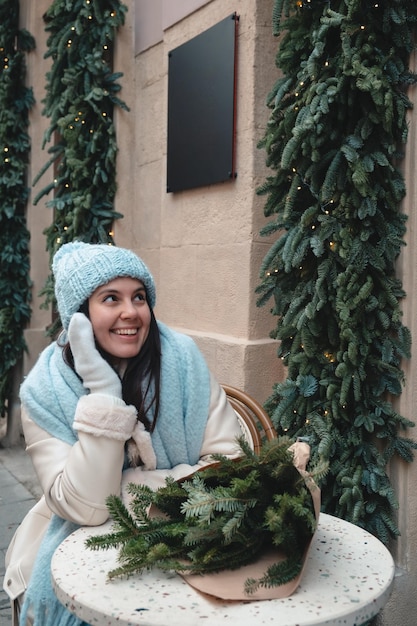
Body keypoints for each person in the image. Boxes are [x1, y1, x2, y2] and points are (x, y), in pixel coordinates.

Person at [3, 241, 242, 626]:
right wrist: (104, 395)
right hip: (81, 552)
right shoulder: (44, 390)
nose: (131, 312)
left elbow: (231, 466)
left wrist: (132, 488)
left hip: (188, 544)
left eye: (140, 297)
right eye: (111, 298)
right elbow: (87, 508)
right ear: (79, 314)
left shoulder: (182, 360)